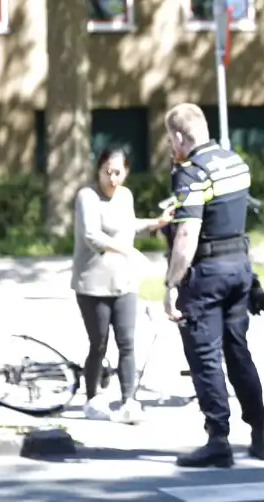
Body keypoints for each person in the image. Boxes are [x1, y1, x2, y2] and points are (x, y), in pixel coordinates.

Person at [161, 103, 264, 468]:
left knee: (205, 357)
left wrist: (171, 283)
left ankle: (218, 440)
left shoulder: (191, 172)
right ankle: (260, 433)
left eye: (170, 139)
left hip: (206, 274)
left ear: (179, 136)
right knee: (238, 351)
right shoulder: (233, 161)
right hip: (240, 269)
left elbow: (187, 233)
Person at [71, 146, 173, 424]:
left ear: (126, 171)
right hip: (93, 283)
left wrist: (155, 223)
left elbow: (127, 226)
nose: (113, 178)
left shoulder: (125, 196)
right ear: (99, 169)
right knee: (99, 343)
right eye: (108, 172)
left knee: (127, 342)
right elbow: (92, 235)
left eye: (119, 172)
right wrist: (128, 251)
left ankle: (129, 400)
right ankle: (92, 399)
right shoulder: (87, 196)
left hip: (124, 281)